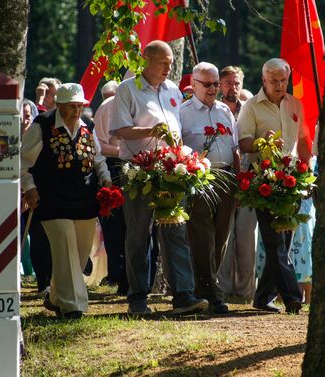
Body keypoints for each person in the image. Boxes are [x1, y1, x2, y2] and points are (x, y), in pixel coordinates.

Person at [110, 40, 208, 315]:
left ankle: (183, 296)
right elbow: (119, 130)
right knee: (139, 236)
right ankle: (138, 298)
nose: (169, 67)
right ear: (146, 60)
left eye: (171, 64)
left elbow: (179, 127)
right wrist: (151, 131)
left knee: (175, 231)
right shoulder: (127, 89)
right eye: (164, 63)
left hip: (170, 170)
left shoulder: (173, 90)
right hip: (139, 171)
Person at [21, 83, 112, 319]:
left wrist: (107, 180)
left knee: (80, 256)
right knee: (65, 250)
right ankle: (74, 306)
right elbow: (22, 161)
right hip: (52, 201)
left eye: (79, 106)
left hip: (84, 201)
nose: (75, 111)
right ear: (58, 105)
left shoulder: (87, 127)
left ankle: (55, 298)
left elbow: (98, 157)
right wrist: (29, 188)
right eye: (70, 106)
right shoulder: (42, 126)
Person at [237, 58, 311, 314]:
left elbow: (302, 141)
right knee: (274, 240)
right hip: (262, 180)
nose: (280, 85)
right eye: (274, 81)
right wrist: (261, 142)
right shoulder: (251, 107)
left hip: (291, 179)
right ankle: (292, 296)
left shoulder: (295, 104)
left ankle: (263, 297)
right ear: (264, 80)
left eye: (283, 80)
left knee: (284, 241)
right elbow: (243, 143)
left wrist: (307, 169)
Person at [180, 62, 240, 313]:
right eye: (208, 84)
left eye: (216, 83)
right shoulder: (183, 113)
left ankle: (203, 285)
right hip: (200, 179)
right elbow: (178, 147)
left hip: (226, 178)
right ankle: (210, 290)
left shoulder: (225, 111)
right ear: (193, 85)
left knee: (221, 236)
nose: (214, 88)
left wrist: (238, 180)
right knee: (202, 236)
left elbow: (234, 147)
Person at [217, 65, 259, 299]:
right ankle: (222, 288)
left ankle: (245, 291)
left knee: (246, 238)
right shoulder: (217, 110)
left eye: (236, 83)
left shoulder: (250, 110)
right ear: (221, 85)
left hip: (248, 181)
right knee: (224, 236)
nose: (232, 87)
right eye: (228, 83)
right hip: (223, 180)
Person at [94, 80, 129, 295]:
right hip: (113, 167)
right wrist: (121, 152)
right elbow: (98, 144)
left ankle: (131, 276)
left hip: (134, 164)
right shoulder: (107, 106)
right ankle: (117, 272)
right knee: (114, 224)